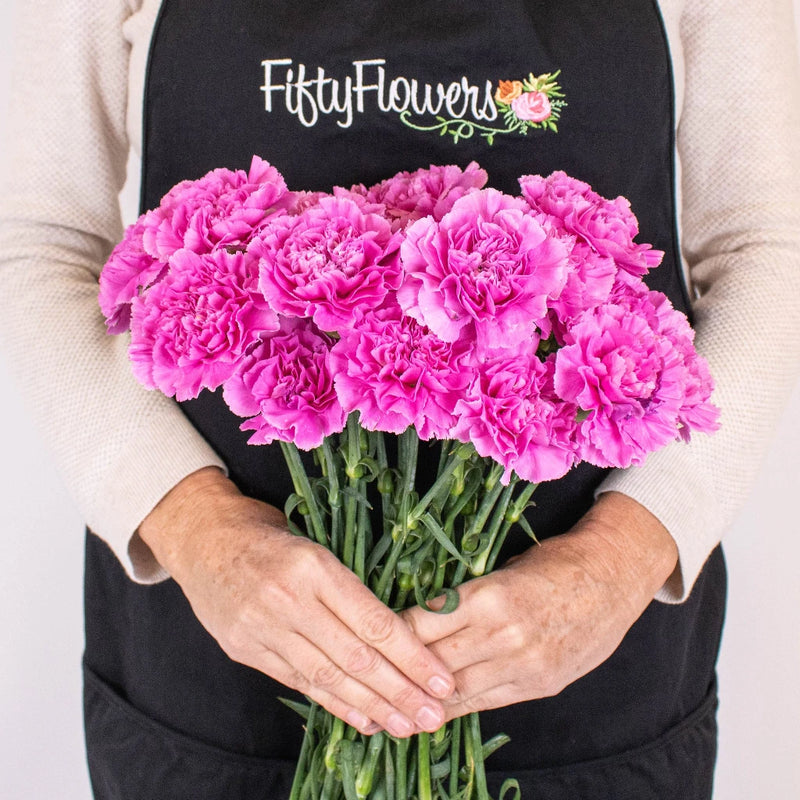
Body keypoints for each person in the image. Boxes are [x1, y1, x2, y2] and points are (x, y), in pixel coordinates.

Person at [1, 1, 798, 798]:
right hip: (218, 663)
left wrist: (622, 556)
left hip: (588, 674)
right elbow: (38, 236)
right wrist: (191, 524)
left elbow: (768, 243)